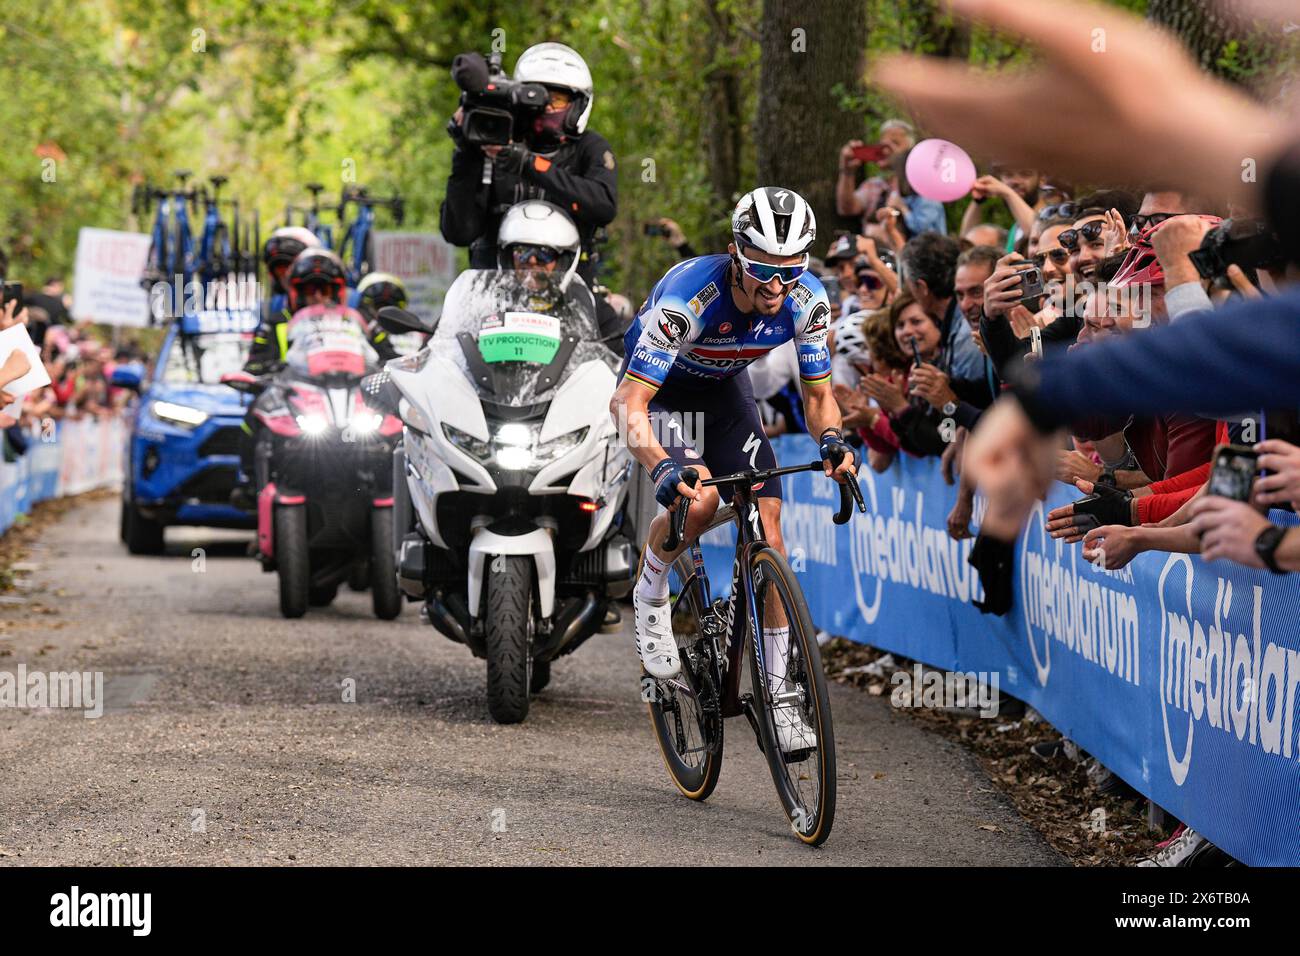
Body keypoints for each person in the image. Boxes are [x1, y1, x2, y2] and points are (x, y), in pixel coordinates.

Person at [610, 186, 855, 751]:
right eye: (763, 268)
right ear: (735, 254)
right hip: (660, 393)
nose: (776, 286)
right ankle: (649, 593)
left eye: (790, 269)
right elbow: (627, 404)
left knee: (770, 528)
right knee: (698, 501)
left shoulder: (808, 300)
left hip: (724, 393)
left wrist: (833, 441)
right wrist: (662, 468)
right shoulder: (690, 299)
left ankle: (781, 694)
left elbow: (818, 396)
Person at [440, 42, 617, 287]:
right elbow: (459, 232)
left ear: (578, 105)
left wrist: (528, 164)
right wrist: (466, 152)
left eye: (556, 100)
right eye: (535, 97)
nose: (545, 107)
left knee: (620, 314)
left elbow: (603, 207)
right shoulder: (493, 143)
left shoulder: (589, 146)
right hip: (492, 293)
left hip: (572, 293)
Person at [245, 226, 321, 376]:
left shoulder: (350, 305)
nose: (287, 275)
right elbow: (254, 365)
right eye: (280, 268)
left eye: (293, 266)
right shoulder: (269, 312)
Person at [836, 119, 916, 233]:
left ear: (910, 152)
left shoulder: (918, 187)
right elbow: (847, 209)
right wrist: (847, 171)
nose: (885, 150)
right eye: (883, 144)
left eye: (895, 143)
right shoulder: (874, 184)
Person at [353, 272, 407, 362]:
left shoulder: (412, 334)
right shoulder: (353, 330)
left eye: (388, 308)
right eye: (377, 307)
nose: (382, 314)